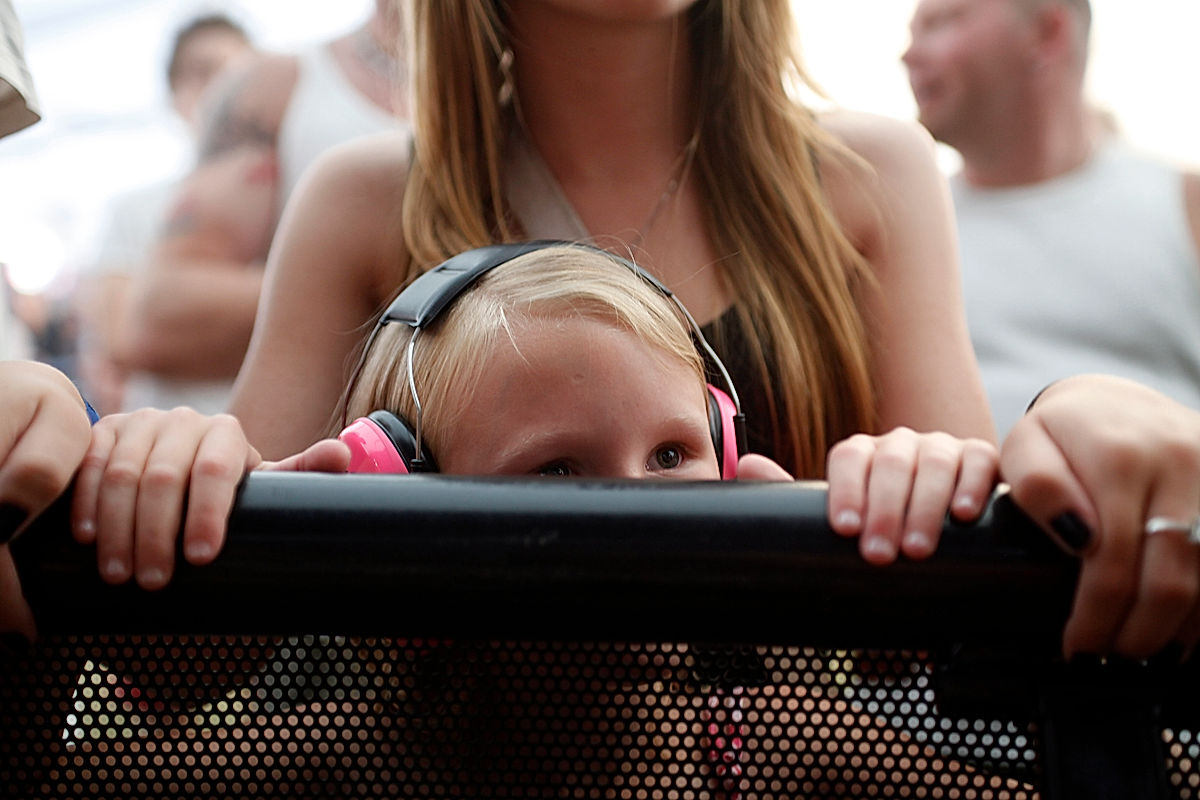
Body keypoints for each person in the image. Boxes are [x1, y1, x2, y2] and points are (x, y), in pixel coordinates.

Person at [229, 0, 996, 505]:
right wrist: (172, 465)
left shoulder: (875, 173)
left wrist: (1083, 408)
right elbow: (193, 656)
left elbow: (969, 591)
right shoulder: (358, 200)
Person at [902, 0, 1200, 436]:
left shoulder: (1182, 203)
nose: (909, 54)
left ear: (1046, 34)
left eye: (942, 22)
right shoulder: (898, 235)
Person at [113, 0, 408, 410]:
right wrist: (388, 293)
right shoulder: (279, 85)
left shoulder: (514, 100)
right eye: (198, 71)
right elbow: (157, 319)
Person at [74, 13, 257, 414]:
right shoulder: (135, 208)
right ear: (176, 93)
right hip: (172, 449)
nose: (224, 86)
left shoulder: (294, 200)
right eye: (204, 72)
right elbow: (125, 338)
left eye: (240, 71)